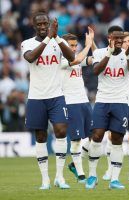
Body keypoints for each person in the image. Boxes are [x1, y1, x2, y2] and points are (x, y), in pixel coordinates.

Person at [21, 12, 75, 190]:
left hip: (56, 96)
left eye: (46, 24)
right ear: (34, 25)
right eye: (40, 24)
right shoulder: (27, 43)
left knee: (61, 131)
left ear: (50, 24)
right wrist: (47, 39)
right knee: (41, 136)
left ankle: (59, 176)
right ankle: (45, 179)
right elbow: (30, 58)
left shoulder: (57, 41)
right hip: (36, 97)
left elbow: (72, 58)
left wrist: (57, 37)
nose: (43, 27)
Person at [86, 26, 129, 190]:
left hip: (121, 102)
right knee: (97, 136)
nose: (119, 41)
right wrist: (109, 52)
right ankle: (92, 176)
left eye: (121, 39)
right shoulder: (100, 53)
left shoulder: (127, 54)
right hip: (102, 101)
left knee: (117, 139)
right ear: (110, 38)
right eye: (116, 38)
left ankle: (114, 180)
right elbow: (95, 70)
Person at [102, 32, 129, 182]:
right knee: (113, 136)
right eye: (125, 41)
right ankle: (109, 170)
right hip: (119, 101)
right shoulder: (115, 57)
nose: (127, 43)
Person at [60, 27, 96, 184]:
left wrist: (93, 45)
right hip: (70, 103)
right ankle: (81, 174)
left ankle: (74, 164)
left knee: (95, 137)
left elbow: (94, 59)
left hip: (84, 102)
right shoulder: (61, 60)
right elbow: (78, 60)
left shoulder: (77, 57)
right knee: (75, 140)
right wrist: (87, 46)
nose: (74, 48)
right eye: (71, 46)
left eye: (75, 46)